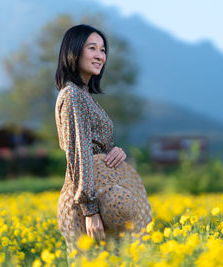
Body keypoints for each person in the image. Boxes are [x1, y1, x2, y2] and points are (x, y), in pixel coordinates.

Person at [54, 24, 152, 264]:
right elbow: (79, 154)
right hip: (86, 204)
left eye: (103, 50)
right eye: (92, 48)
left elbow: (91, 147)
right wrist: (91, 211)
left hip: (98, 198)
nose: (100, 55)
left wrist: (113, 151)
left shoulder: (84, 95)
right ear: (74, 51)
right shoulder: (73, 95)